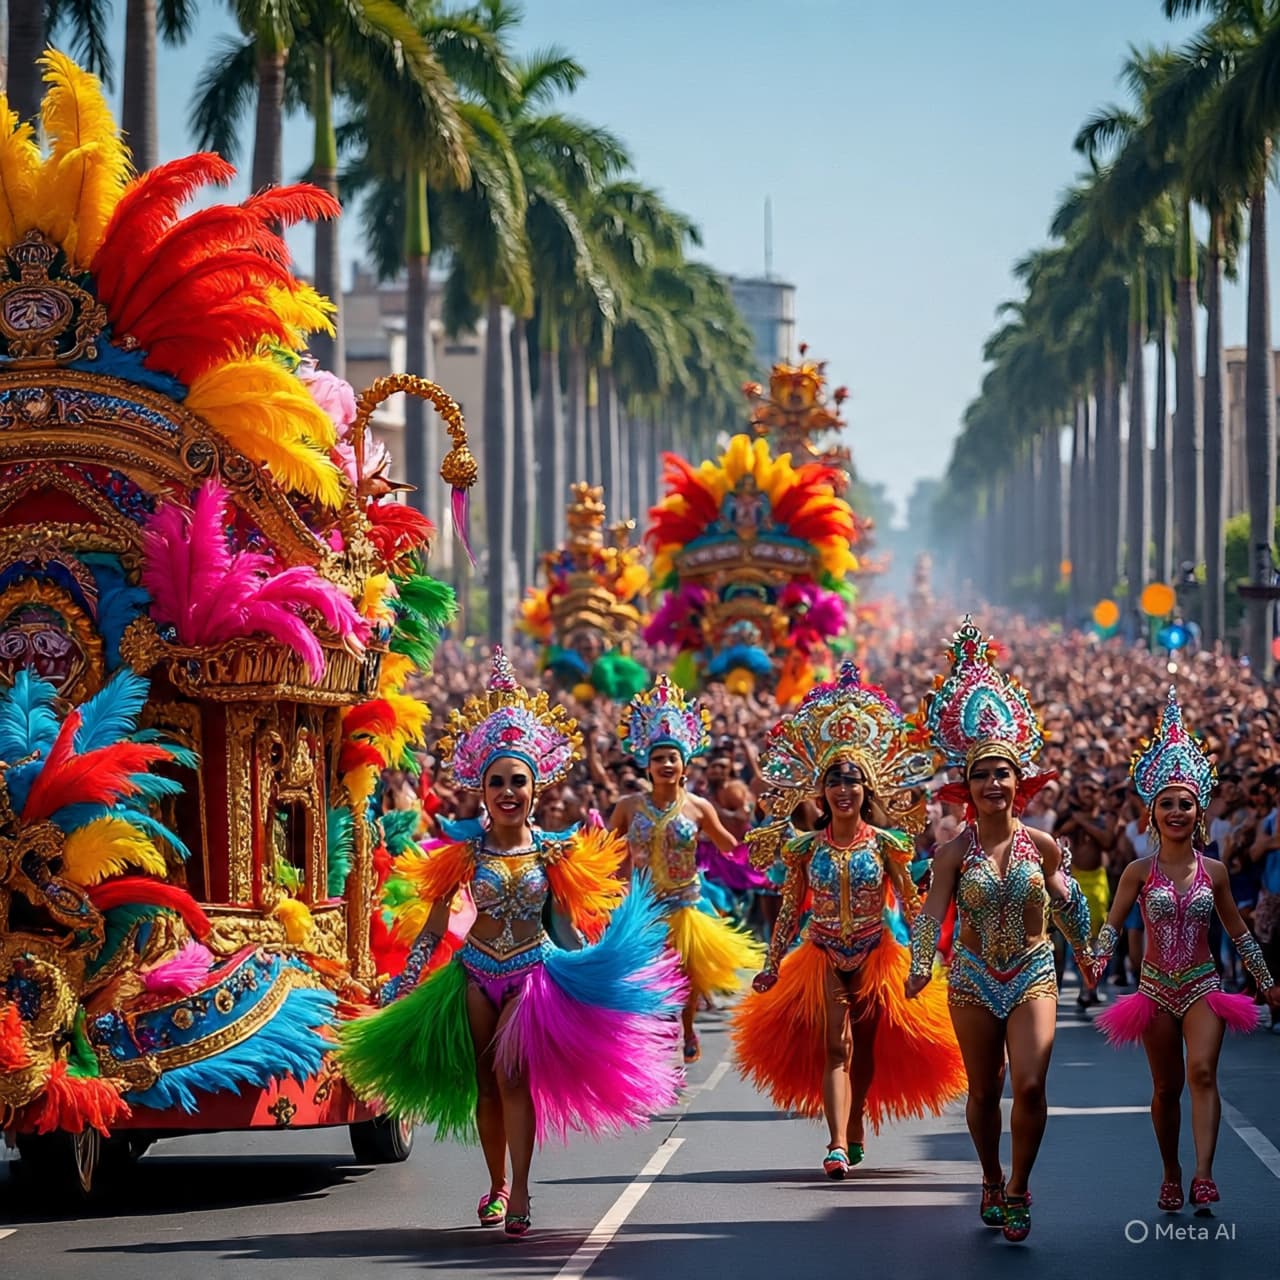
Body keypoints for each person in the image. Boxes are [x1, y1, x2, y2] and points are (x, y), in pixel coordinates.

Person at [339, 649, 686, 1239]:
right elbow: (431, 925)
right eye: (496, 781)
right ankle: (496, 1184)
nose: (507, 791)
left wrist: (590, 975)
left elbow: (569, 927)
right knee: (485, 1082)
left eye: (517, 781)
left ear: (535, 787)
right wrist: (408, 975)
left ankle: (521, 1190)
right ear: (480, 787)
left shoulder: (553, 853)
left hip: (532, 975)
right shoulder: (463, 853)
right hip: (474, 973)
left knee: (512, 1078)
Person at [731, 663, 966, 1180]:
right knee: (836, 1044)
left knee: (866, 1049)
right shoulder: (803, 848)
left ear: (867, 788)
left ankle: (855, 1123)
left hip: (877, 952)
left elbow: (911, 904)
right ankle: (836, 1143)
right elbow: (791, 909)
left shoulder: (889, 845)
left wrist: (923, 959)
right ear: (820, 789)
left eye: (852, 780)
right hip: (821, 955)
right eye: (834, 780)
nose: (843, 789)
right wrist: (771, 964)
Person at [907, 618, 1097, 1242]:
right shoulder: (952, 854)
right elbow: (933, 912)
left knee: (1033, 1083)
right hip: (970, 976)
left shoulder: (1043, 845)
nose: (994, 783)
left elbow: (1068, 905)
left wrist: (1091, 949)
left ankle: (1019, 1185)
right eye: (983, 774)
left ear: (1019, 783)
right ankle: (989, 1175)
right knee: (984, 1091)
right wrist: (916, 962)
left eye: (1003, 773)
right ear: (967, 787)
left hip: (1034, 973)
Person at [1089, 688, 1280, 1213]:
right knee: (1165, 1087)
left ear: (1198, 811)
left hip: (1202, 987)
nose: (1177, 811)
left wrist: (1265, 980)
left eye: (1185, 803)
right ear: (1153, 813)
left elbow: (1238, 932)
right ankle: (1170, 1170)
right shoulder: (1136, 872)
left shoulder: (1213, 871)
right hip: (1152, 991)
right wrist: (1095, 960)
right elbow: (1111, 925)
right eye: (1167, 803)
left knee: (1201, 1073)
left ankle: (1203, 1174)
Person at [610, 675, 765, 1062]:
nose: (665, 763)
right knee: (650, 981)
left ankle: (688, 1024)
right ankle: (663, 1033)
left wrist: (765, 839)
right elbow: (608, 851)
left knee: (687, 979)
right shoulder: (628, 807)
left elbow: (730, 845)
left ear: (684, 765)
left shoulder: (699, 807)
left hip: (685, 907)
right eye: (658, 757)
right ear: (647, 764)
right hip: (644, 907)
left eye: (672, 757)